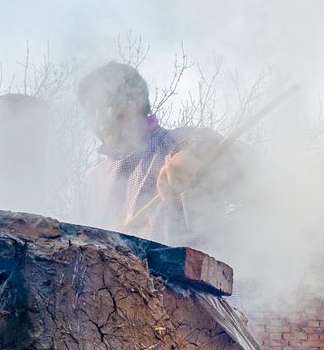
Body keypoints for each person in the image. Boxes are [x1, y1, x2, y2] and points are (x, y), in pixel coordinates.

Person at [75, 62, 247, 246]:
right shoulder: (91, 185)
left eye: (101, 104)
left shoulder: (176, 143)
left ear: (134, 99)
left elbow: (248, 163)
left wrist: (194, 152)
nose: (96, 119)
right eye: (89, 111)